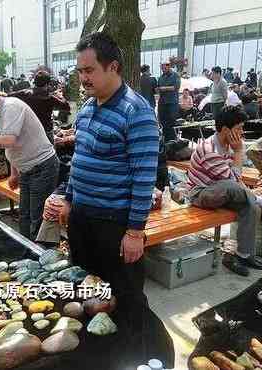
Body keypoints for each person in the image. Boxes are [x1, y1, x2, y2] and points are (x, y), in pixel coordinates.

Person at [58, 32, 159, 316]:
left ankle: (138, 350)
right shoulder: (88, 107)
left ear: (113, 67)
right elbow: (79, 159)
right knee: (86, 290)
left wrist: (135, 232)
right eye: (80, 71)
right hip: (82, 218)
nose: (83, 78)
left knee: (125, 296)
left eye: (89, 70)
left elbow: (144, 177)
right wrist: (68, 198)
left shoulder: (137, 112)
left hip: (114, 225)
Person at [186, 105, 262, 276]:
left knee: (251, 206)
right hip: (201, 194)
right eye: (239, 128)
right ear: (225, 129)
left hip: (223, 191)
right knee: (233, 187)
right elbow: (233, 180)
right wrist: (239, 151)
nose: (241, 133)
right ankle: (257, 198)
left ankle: (242, 255)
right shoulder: (209, 149)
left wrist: (236, 154)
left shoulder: (228, 145)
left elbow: (235, 178)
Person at [0, 90, 59, 240]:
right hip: (26, 169)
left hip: (42, 166)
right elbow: (12, 147)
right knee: (24, 215)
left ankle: (41, 255)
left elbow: (8, 141)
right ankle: (27, 251)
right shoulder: (1, 112)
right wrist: (14, 173)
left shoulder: (10, 107)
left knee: (37, 216)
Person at [9, 71, 70, 144]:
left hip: (30, 133)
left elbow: (8, 95)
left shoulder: (25, 93)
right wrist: (60, 96)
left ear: (34, 82)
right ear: (47, 84)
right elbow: (66, 107)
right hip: (46, 132)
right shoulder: (51, 98)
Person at [157, 61, 180, 141]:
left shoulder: (175, 75)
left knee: (172, 122)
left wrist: (163, 88)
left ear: (169, 66)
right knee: (163, 123)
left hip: (172, 103)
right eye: (162, 68)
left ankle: (173, 140)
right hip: (162, 103)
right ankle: (166, 141)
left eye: (164, 68)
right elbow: (158, 89)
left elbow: (176, 87)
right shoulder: (161, 77)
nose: (163, 70)